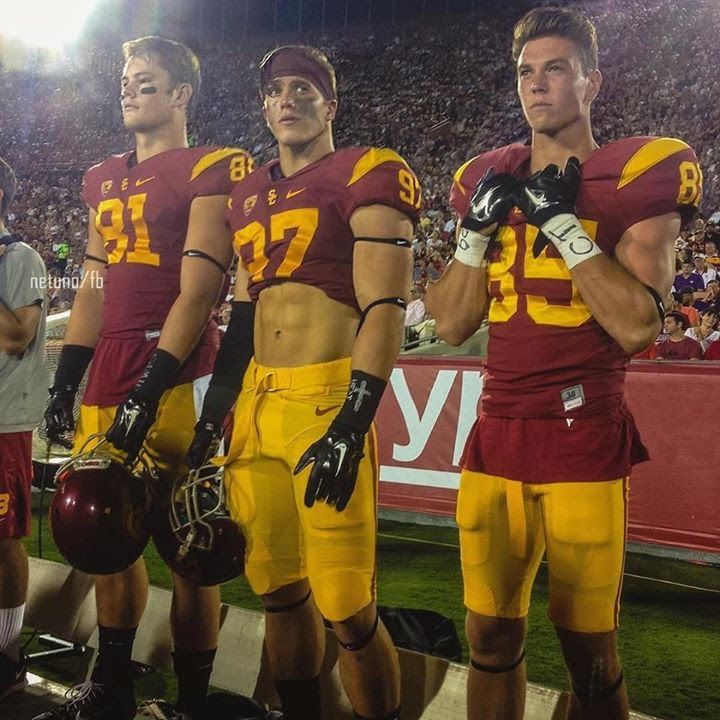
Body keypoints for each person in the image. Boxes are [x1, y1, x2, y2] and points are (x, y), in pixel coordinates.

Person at [426, 7, 701, 720]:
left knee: (591, 654)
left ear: (591, 82)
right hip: (497, 431)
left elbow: (638, 325)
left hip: (582, 435)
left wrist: (561, 228)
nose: (537, 86)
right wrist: (473, 235)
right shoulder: (486, 178)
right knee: (487, 633)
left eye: (555, 69)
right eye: (525, 72)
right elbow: (453, 324)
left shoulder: (635, 171)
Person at [186, 45, 420, 720]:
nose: (287, 99)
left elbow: (385, 309)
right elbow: (244, 316)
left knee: (346, 604)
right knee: (277, 590)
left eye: (304, 89)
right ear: (263, 107)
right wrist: (213, 418)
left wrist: (353, 419)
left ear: (331, 107)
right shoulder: (247, 193)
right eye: (276, 91)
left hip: (325, 398)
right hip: (258, 405)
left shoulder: (369, 171)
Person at [41, 36, 252, 720]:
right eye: (126, 80)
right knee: (109, 539)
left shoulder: (213, 165)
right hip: (109, 371)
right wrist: (64, 379)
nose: (129, 90)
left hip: (180, 371)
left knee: (190, 543)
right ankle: (113, 685)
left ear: (182, 94)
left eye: (146, 81)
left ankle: (190, 701)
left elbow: (197, 291)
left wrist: (148, 389)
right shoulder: (101, 177)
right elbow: (94, 289)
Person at [0, 156, 47, 702]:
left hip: (4, 424)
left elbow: (16, 336)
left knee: (4, 538)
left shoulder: (24, 258)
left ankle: (7, 654)